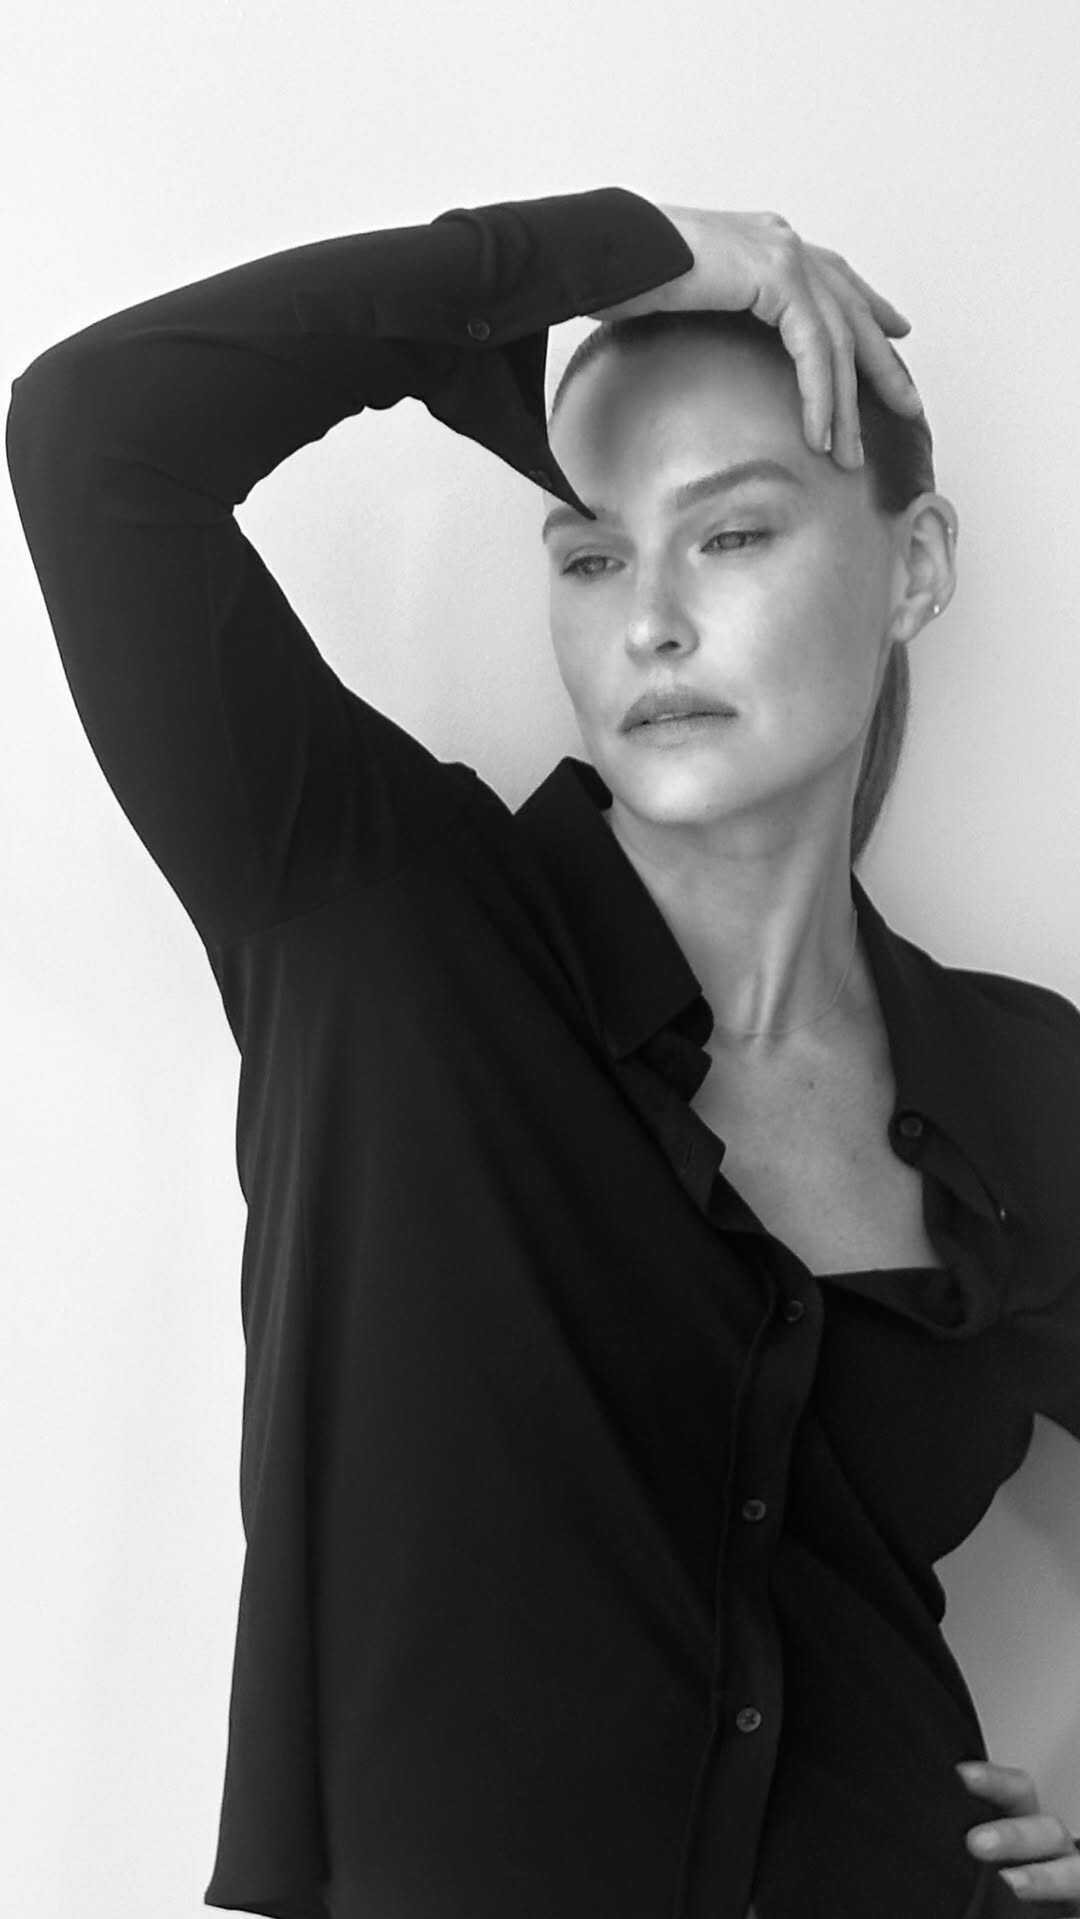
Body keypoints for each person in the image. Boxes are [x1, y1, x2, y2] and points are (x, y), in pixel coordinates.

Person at [7, 186, 1080, 1919]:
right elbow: (92, 434)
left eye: (731, 535)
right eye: (588, 553)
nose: (649, 619)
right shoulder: (368, 918)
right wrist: (618, 244)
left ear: (916, 566)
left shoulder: (1026, 1089)